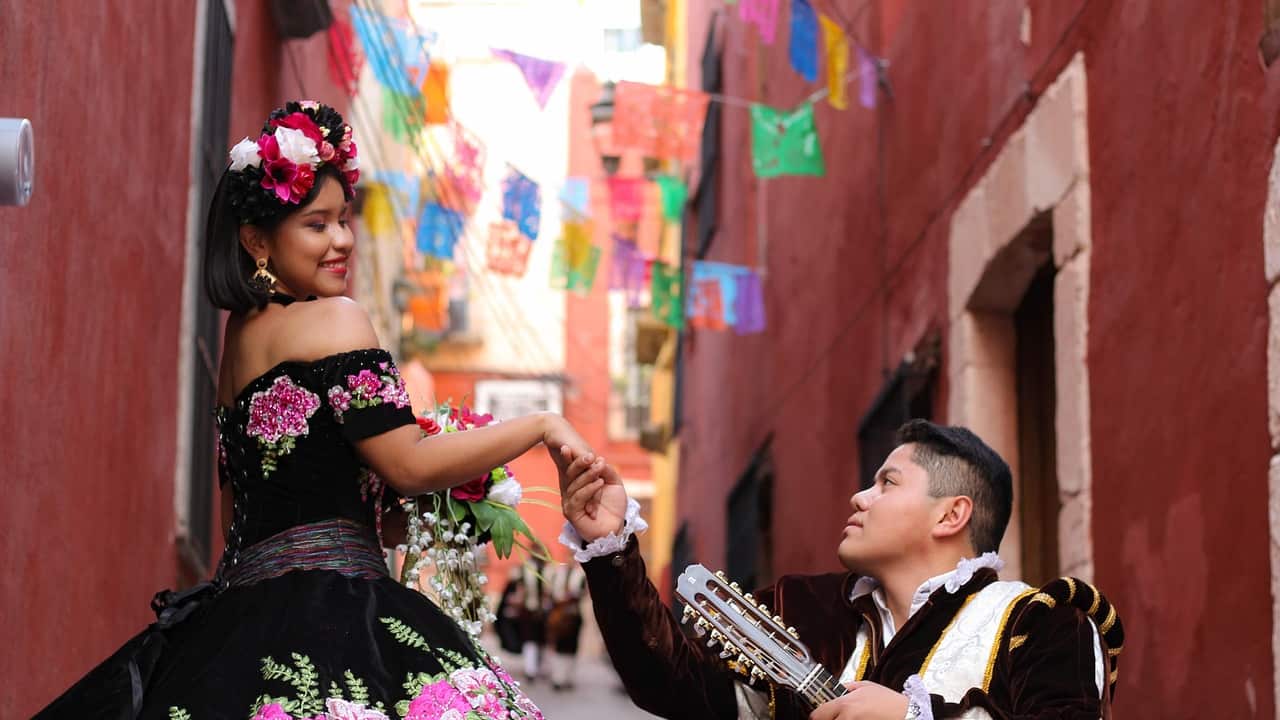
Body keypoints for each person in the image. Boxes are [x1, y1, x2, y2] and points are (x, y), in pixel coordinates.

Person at [35, 101, 607, 719]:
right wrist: (542, 425)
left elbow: (249, 521)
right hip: (334, 624)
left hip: (237, 622)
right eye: (317, 224)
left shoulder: (239, 342)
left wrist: (385, 514)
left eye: (344, 220)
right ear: (256, 239)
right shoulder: (335, 320)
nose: (342, 240)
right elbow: (411, 464)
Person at [556, 420, 1125, 720]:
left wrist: (910, 718)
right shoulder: (809, 614)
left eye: (887, 482)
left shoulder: (1044, 625)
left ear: (953, 514)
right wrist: (611, 550)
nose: (858, 496)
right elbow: (672, 685)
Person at [543, 562, 587, 691]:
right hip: (558, 614)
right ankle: (558, 677)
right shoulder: (557, 573)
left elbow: (583, 593)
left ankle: (568, 677)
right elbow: (550, 591)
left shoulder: (580, 575)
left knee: (571, 648)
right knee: (558, 646)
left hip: (573, 615)